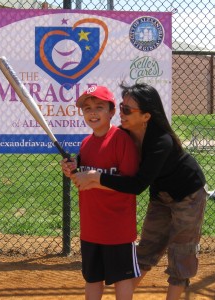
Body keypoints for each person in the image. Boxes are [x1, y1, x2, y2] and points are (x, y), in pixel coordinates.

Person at [67, 83, 207, 300]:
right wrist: (76, 163)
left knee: (181, 251)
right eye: (121, 107)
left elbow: (136, 185)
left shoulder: (162, 141)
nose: (121, 114)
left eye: (127, 110)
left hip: (188, 193)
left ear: (146, 116)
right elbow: (99, 153)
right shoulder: (124, 133)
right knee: (147, 249)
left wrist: (97, 178)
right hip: (161, 194)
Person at [61, 85, 141, 300]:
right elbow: (83, 181)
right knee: (92, 278)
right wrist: (72, 170)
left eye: (99, 107)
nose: (93, 112)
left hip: (118, 228)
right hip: (91, 228)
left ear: (112, 111)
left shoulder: (121, 139)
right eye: (87, 108)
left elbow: (130, 183)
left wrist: (95, 181)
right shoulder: (86, 144)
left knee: (122, 278)